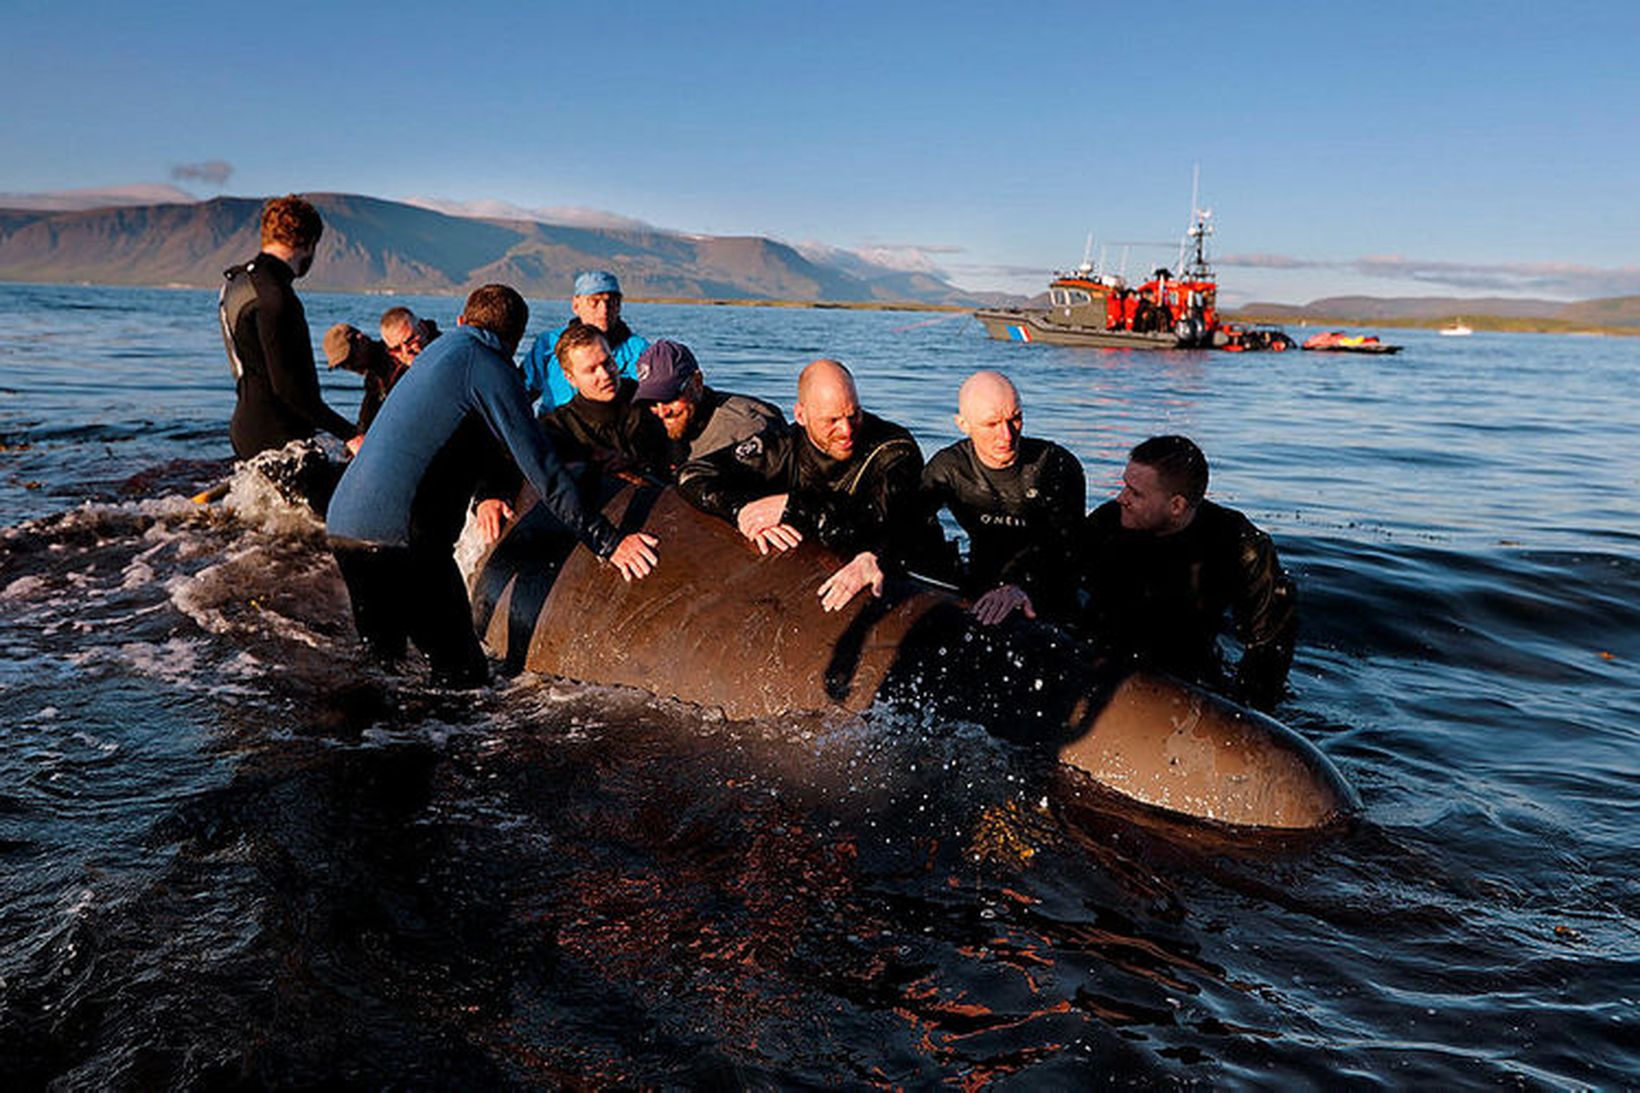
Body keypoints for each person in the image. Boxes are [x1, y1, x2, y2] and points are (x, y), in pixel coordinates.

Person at [325, 284, 659, 687]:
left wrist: (490, 491)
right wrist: (607, 541)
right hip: (401, 543)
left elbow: (475, 441)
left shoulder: (438, 352)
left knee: (383, 665)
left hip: (345, 526)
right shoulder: (490, 366)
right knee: (463, 675)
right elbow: (543, 470)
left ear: (463, 321)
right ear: (515, 340)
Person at [677, 359, 935, 612]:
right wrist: (741, 510)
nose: (846, 430)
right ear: (801, 415)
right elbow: (692, 474)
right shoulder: (782, 445)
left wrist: (793, 507)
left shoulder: (894, 448)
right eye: (831, 421)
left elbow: (882, 517)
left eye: (853, 414)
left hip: (907, 563)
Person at [1072, 435, 1296, 710]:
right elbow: (1057, 582)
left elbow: (1269, 643)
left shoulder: (1239, 544)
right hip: (1100, 659)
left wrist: (1245, 711)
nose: (1122, 498)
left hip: (1189, 675)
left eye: (1135, 493)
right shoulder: (1108, 522)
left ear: (1176, 505)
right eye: (1124, 486)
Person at [921, 371, 1085, 626]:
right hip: (981, 577)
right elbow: (906, 522)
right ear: (963, 424)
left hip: (1047, 581)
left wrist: (1020, 587)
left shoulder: (1055, 465)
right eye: (991, 424)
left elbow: (1067, 544)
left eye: (1015, 419)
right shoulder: (949, 468)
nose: (1007, 436)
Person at [219, 194, 362, 461]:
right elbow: (289, 390)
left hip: (246, 428)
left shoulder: (237, 282)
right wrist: (351, 434)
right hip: (277, 437)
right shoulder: (276, 297)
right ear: (308, 244)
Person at [630, 338, 785, 477]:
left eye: (670, 398)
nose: (662, 411)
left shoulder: (745, 428)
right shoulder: (649, 423)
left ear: (697, 383)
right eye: (651, 402)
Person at [518, 270, 649, 412]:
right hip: (555, 430)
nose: (604, 309)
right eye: (594, 302)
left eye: (611, 302)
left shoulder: (639, 350)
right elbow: (520, 394)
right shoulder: (548, 344)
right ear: (576, 305)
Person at [322, 323, 405, 433]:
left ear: (361, 340)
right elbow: (366, 419)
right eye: (343, 366)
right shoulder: (373, 378)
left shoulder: (398, 359)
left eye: (350, 359)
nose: (350, 367)